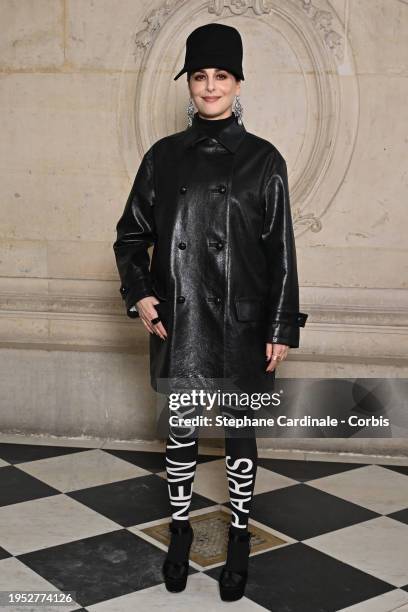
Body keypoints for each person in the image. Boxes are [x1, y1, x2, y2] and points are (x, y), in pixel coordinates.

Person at [113, 22, 308, 602]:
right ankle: (179, 531)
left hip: (244, 326)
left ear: (238, 82)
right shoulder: (163, 158)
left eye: (220, 75)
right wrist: (140, 293)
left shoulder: (264, 161)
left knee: (239, 434)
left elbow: (282, 251)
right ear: (190, 86)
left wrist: (280, 326)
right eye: (200, 77)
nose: (210, 86)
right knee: (179, 432)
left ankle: (241, 534)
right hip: (179, 319)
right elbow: (130, 237)